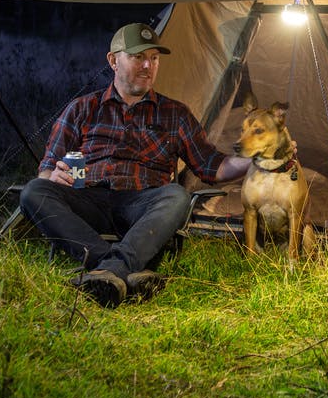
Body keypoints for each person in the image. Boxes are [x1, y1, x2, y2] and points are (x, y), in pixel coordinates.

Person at [19, 22, 250, 307]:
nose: (148, 66)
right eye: (138, 57)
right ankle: (123, 269)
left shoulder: (175, 114)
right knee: (34, 191)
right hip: (88, 199)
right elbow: (47, 166)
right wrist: (52, 175)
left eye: (154, 58)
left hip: (142, 205)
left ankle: (105, 271)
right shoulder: (82, 108)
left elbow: (212, 166)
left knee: (176, 195)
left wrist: (256, 162)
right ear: (113, 60)